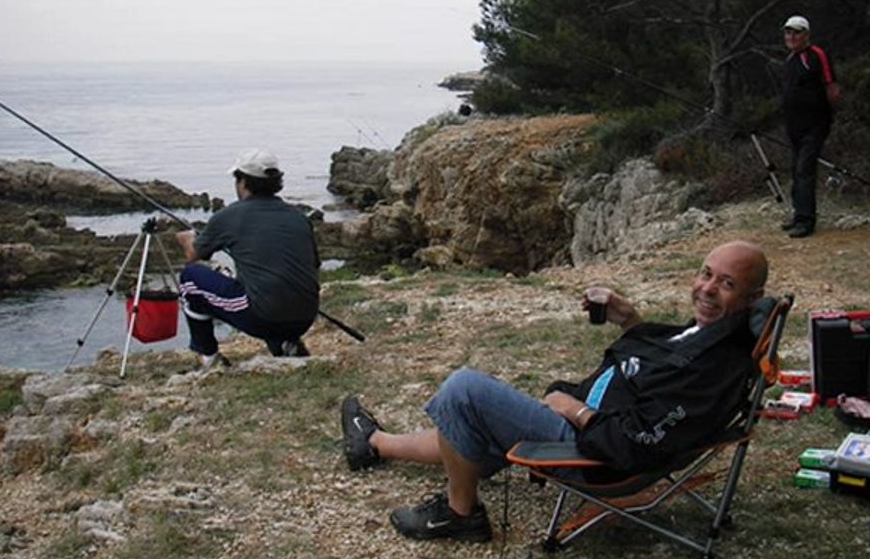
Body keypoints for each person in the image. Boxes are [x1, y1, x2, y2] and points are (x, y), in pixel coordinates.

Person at [340, 241, 769, 543]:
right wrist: (630, 321)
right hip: (588, 427)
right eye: (706, 274)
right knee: (472, 430)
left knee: (464, 390)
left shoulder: (715, 369)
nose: (707, 289)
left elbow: (634, 443)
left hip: (593, 454)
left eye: (726, 284)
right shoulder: (709, 337)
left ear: (752, 297)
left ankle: (460, 515)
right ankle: (374, 443)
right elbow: (661, 367)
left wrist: (575, 410)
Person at [176, 149, 320, 367]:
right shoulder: (298, 216)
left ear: (243, 182)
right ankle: (286, 345)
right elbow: (313, 265)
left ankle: (209, 357)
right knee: (266, 286)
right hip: (305, 317)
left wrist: (186, 238)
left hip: (264, 318)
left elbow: (194, 255)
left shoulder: (230, 215)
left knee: (190, 279)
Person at [780, 15, 841, 238]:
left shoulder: (816, 55)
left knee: (805, 169)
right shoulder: (790, 59)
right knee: (796, 169)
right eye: (788, 32)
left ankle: (807, 221)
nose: (791, 36)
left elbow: (832, 87)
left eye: (796, 32)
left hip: (814, 125)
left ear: (806, 34)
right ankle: (798, 215)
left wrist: (827, 114)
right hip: (793, 125)